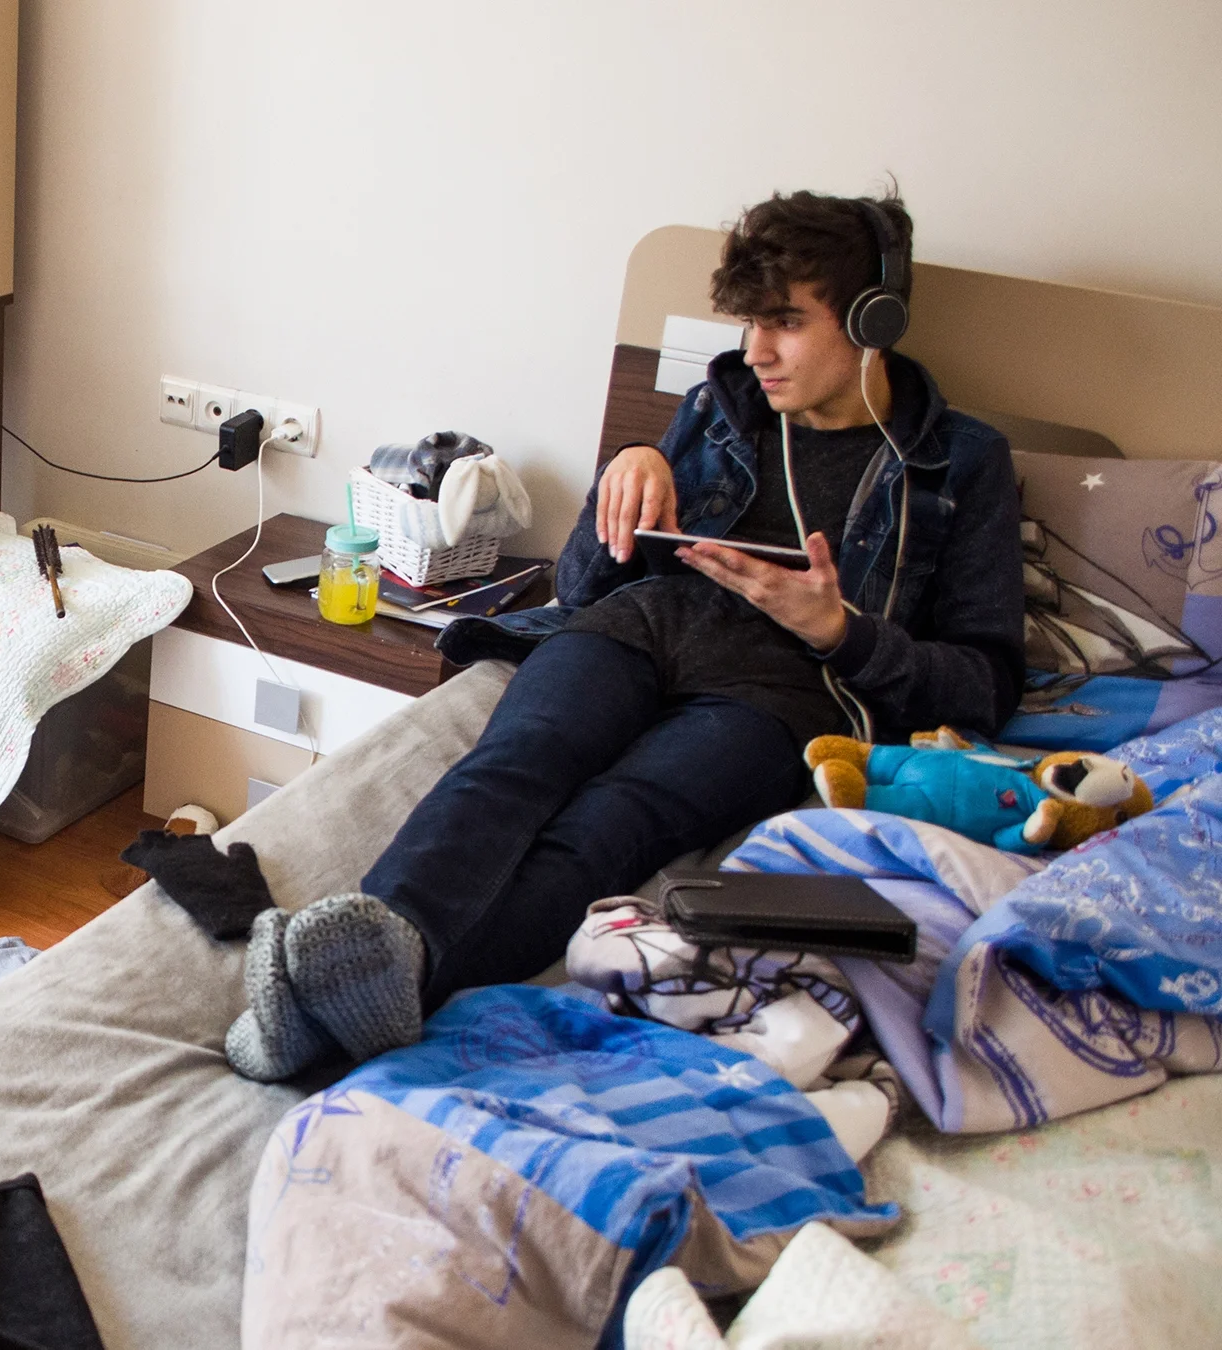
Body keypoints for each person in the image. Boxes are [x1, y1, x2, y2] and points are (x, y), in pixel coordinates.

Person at [229, 190, 1026, 1081]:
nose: (756, 350)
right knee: (516, 763)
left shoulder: (962, 462)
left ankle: (332, 1012)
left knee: (609, 827)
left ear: (874, 318)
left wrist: (842, 631)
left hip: (784, 688)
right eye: (749, 322)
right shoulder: (718, 406)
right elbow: (580, 586)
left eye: (787, 322)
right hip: (640, 625)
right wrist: (628, 470)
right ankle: (364, 975)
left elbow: (987, 682)